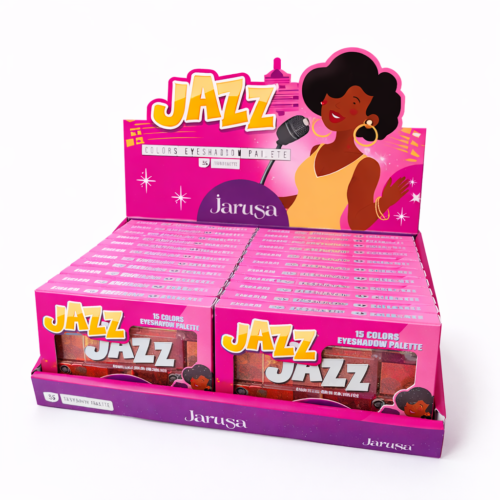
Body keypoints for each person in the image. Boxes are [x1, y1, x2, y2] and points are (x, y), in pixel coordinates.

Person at [281, 51, 409, 230]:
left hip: (324, 243)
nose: (338, 104)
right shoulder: (317, 150)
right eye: (335, 93)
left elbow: (357, 222)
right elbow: (308, 198)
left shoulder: (365, 166)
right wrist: (269, 199)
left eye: (354, 102)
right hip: (286, 234)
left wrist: (385, 202)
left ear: (370, 119)